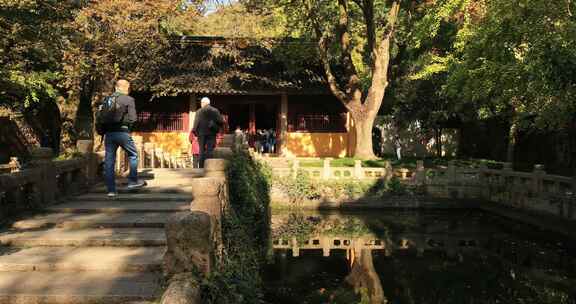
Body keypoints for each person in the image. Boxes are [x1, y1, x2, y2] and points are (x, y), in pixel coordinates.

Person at [100, 79, 146, 198]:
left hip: (109, 134)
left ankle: (111, 190)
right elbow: (133, 118)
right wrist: (128, 128)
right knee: (133, 155)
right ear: (125, 87)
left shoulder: (107, 100)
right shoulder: (129, 99)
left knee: (109, 161)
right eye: (128, 88)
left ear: (116, 87)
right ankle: (132, 181)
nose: (129, 90)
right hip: (123, 132)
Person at [192, 97, 224, 168]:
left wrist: (195, 132)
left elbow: (196, 123)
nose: (200, 104)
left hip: (201, 134)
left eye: (201, 103)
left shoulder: (199, 111)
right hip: (212, 133)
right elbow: (221, 121)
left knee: (201, 150)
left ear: (203, 103)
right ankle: (209, 167)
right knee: (210, 150)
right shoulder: (215, 111)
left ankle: (201, 167)